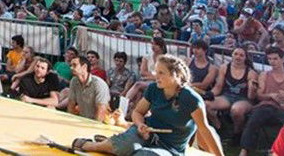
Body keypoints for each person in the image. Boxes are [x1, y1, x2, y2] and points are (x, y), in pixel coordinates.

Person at [72, 55, 224, 156]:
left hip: (171, 149)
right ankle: (93, 145)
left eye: (161, 73)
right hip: (145, 134)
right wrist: (139, 125)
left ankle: (115, 144)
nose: (155, 76)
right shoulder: (153, 89)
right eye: (156, 71)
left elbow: (205, 130)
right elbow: (138, 112)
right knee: (124, 145)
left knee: (144, 155)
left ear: (176, 75)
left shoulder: (191, 98)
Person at [243, 47, 284, 153]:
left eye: (275, 59)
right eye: (269, 59)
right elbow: (259, 95)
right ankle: (245, 150)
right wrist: (271, 96)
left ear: (282, 60)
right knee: (254, 119)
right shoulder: (264, 75)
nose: (272, 62)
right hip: (266, 106)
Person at [207, 44, 257, 133]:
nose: (238, 57)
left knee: (236, 110)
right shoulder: (224, 67)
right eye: (236, 54)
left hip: (244, 99)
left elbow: (251, 97)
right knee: (205, 104)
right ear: (232, 55)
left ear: (246, 58)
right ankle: (219, 127)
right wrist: (209, 94)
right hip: (227, 97)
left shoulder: (251, 73)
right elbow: (218, 87)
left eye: (241, 55)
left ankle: (237, 133)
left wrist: (253, 90)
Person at [67, 53, 112, 121]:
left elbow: (101, 109)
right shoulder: (74, 81)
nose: (71, 68)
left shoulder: (99, 84)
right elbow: (71, 103)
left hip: (99, 123)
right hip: (82, 119)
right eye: (70, 65)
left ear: (84, 67)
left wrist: (95, 127)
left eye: (74, 65)